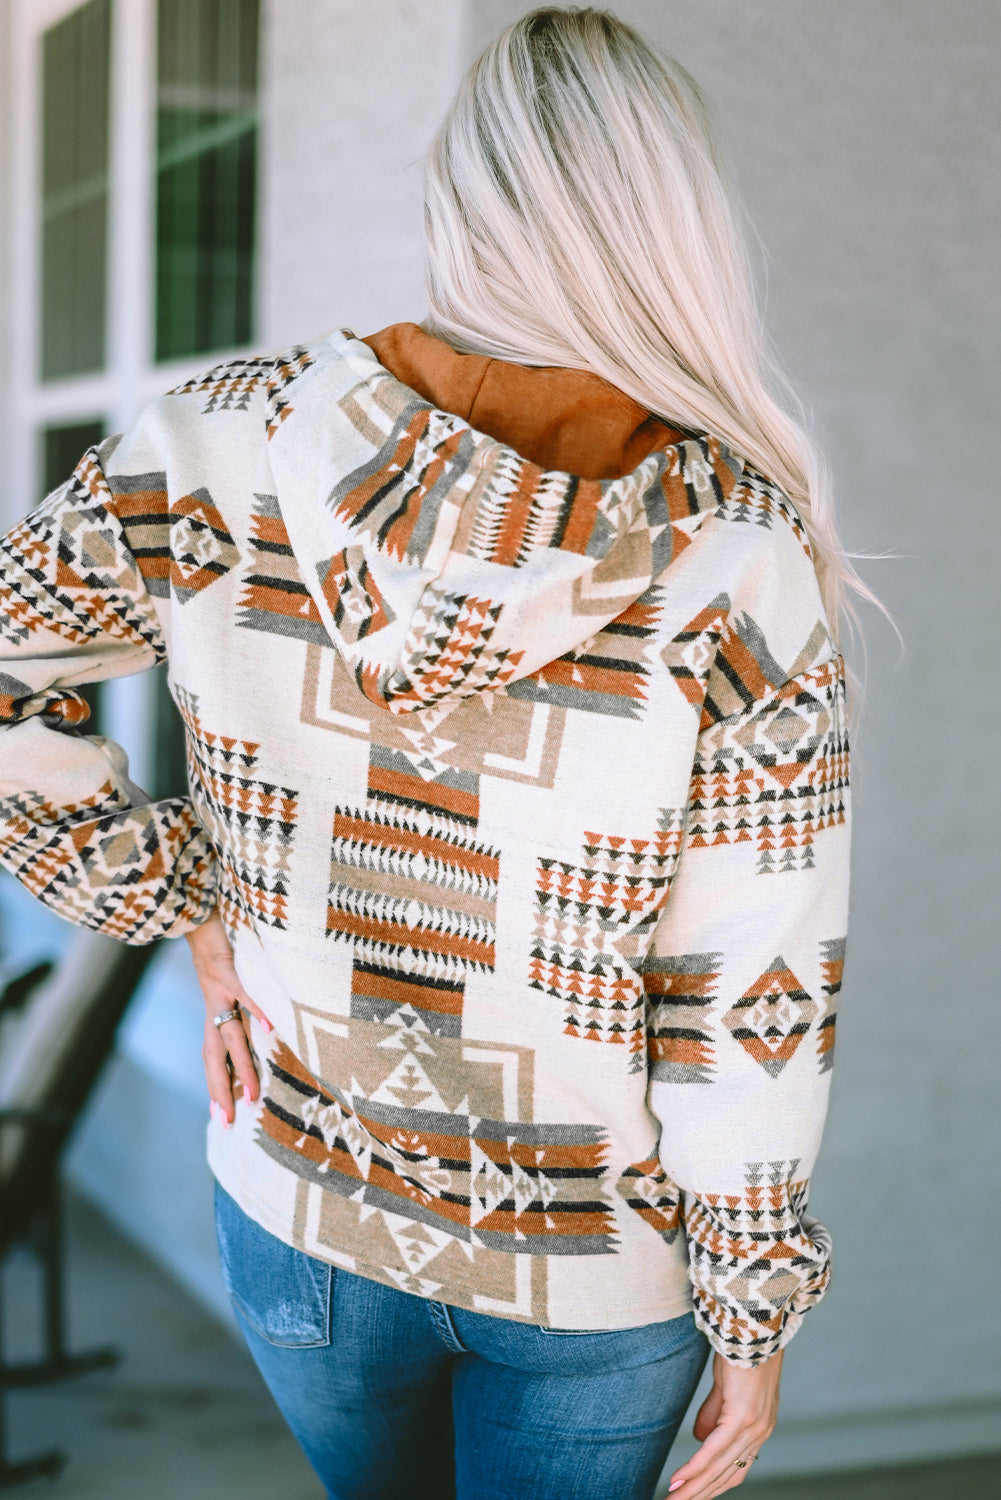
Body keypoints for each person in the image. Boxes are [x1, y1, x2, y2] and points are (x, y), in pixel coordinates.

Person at [0, 9, 861, 1499]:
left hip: (304, 1203)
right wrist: (751, 1299)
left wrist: (189, 893)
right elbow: (747, 985)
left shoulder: (217, 445)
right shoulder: (740, 549)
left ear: (456, 204)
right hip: (597, 1269)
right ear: (675, 227)